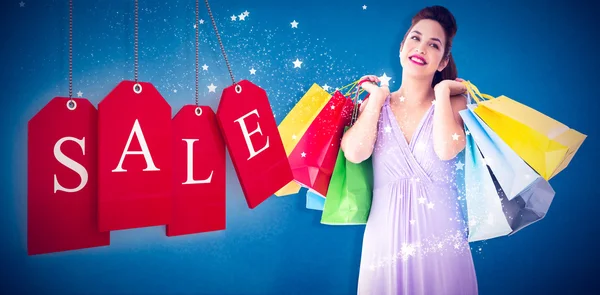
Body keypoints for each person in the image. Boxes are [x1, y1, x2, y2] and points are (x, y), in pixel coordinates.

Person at [340, 5, 479, 295]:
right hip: (384, 244)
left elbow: (445, 149)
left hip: (441, 243)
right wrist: (377, 99)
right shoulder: (375, 106)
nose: (421, 48)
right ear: (402, 47)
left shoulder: (454, 105)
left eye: (434, 44)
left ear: (443, 62)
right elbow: (354, 153)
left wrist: (442, 93)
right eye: (415, 38)